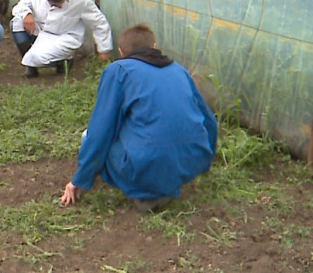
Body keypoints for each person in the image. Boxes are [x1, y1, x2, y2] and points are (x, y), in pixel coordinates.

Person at [60, 23, 218, 212]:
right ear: (154, 46)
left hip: (147, 163)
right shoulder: (179, 70)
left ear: (121, 52)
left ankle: (147, 192)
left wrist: (80, 179)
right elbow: (209, 120)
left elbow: (101, 130)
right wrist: (204, 160)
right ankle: (170, 178)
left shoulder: (119, 70)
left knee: (88, 136)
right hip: (193, 160)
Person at [10, 0, 113, 77]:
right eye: (56, 4)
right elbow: (20, 6)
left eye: (62, 2)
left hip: (64, 36)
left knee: (36, 58)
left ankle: (63, 61)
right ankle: (32, 68)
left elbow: (99, 22)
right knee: (16, 24)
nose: (60, 6)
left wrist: (104, 49)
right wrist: (27, 14)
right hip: (41, 30)